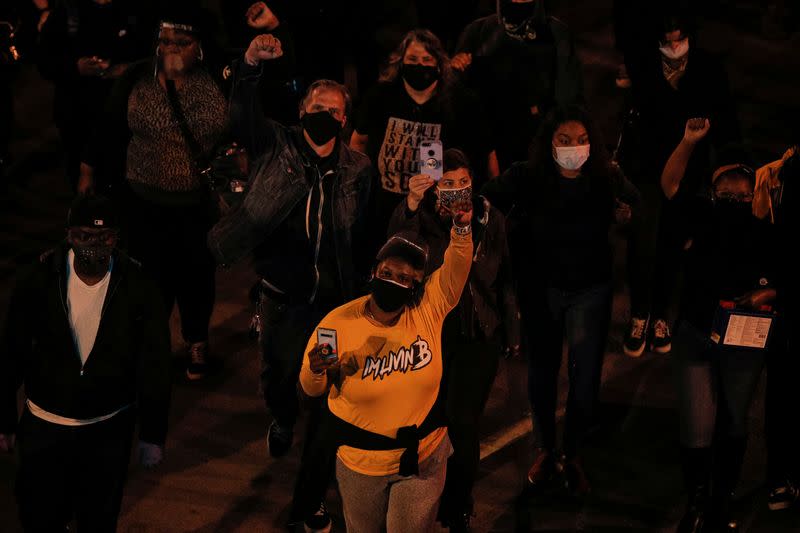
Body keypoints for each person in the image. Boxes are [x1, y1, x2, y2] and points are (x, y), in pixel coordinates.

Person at [483, 105, 639, 497]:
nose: (574, 147)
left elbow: (638, 206)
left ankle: (571, 454)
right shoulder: (526, 175)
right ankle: (544, 450)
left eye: (581, 140)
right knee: (542, 372)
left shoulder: (607, 176)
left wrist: (625, 212)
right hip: (542, 291)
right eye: (564, 141)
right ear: (549, 144)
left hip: (591, 290)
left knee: (585, 378)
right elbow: (486, 203)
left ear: (593, 144)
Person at [298, 200, 473, 533]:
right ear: (374, 272)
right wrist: (316, 368)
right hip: (361, 463)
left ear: (418, 285)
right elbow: (310, 390)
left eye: (406, 278)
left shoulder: (428, 310)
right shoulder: (337, 324)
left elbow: (456, 267)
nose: (396, 280)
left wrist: (462, 231)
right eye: (389, 273)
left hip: (423, 458)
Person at [0, 194, 172, 532]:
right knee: (39, 518)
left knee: (98, 521)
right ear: (68, 235)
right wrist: (4, 419)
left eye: (104, 237)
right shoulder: (38, 281)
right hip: (45, 430)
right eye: (84, 236)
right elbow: (11, 351)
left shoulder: (139, 287)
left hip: (107, 432)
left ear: (116, 238)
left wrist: (152, 434)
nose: (94, 246)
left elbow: (155, 365)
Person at [80, 8, 228, 380]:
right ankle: (152, 348)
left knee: (196, 276)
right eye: (164, 41)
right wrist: (88, 171)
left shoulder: (218, 80)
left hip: (196, 205)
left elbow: (241, 126)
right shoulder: (137, 78)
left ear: (200, 46)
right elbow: (108, 127)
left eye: (182, 42)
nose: (171, 48)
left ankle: (196, 342)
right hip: (144, 202)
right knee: (150, 280)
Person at [387, 148, 520, 531]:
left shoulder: (488, 217)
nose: (458, 191)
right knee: (427, 421)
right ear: (433, 186)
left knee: (463, 421)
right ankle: (419, 502)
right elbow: (394, 250)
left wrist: (510, 328)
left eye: (464, 182)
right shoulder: (420, 218)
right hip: (430, 336)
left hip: (476, 336)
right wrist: (410, 204)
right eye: (448, 184)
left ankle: (459, 504)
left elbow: (505, 277)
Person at [619, 6, 740, 358]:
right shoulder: (643, 66)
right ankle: (640, 313)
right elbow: (632, 121)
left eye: (679, 41)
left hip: (690, 171)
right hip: (646, 169)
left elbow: (727, 124)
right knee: (642, 242)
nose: (674, 48)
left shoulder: (709, 71)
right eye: (666, 42)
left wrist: (722, 169)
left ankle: (662, 316)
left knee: (674, 242)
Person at [668, 157, 776, 533]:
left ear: (755, 196)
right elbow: (670, 185)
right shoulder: (697, 218)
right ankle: (697, 503)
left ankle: (721, 500)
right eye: (725, 194)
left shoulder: (769, 231)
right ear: (712, 194)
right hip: (697, 334)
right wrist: (689, 144)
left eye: (742, 195)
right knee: (697, 425)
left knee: (732, 419)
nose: (734, 201)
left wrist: (769, 292)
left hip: (745, 338)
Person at [350, 28, 497, 252]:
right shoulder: (379, 97)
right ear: (400, 62)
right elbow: (358, 141)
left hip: (436, 220)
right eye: (412, 59)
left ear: (439, 64)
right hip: (384, 211)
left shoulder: (462, 103)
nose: (419, 65)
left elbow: (488, 154)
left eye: (427, 59)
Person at [451, 0, 584, 171]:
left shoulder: (556, 32)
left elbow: (568, 94)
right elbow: (456, 92)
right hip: (486, 143)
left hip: (537, 142)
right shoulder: (478, 30)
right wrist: (457, 69)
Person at [37, 0, 153, 190]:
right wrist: (75, 68)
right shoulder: (67, 12)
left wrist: (123, 70)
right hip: (76, 115)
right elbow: (44, 61)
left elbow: (152, 57)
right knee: (81, 179)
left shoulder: (135, 11)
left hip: (123, 116)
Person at [754, 141, 800, 511]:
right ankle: (781, 475)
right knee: (784, 391)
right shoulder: (788, 171)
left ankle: (782, 476)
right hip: (787, 301)